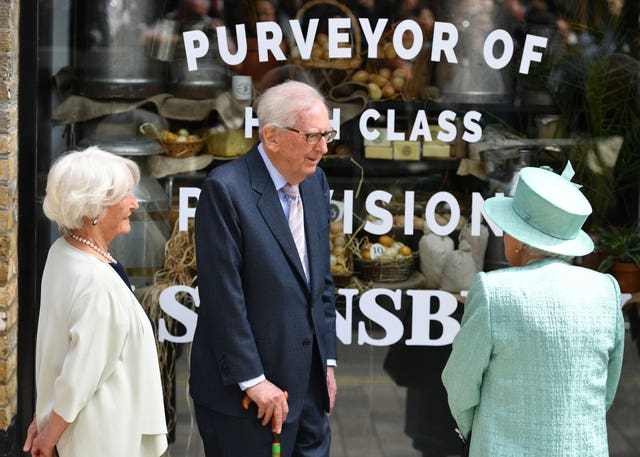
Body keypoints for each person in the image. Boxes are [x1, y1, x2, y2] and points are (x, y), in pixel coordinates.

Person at [190, 80, 338, 457]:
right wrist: (253, 381)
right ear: (271, 137)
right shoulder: (226, 190)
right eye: (312, 136)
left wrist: (328, 362)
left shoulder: (315, 181)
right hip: (248, 402)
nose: (323, 148)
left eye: (327, 135)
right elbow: (224, 299)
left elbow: (320, 282)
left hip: (309, 393)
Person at [441, 164, 625, 457]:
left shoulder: (494, 290)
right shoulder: (605, 289)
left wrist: (474, 433)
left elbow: (460, 381)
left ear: (519, 241)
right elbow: (607, 387)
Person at [22, 146, 168, 457]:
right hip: (102, 440)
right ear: (93, 211)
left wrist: (44, 417)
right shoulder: (96, 282)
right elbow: (80, 376)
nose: (134, 202)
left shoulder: (62, 252)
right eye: (124, 195)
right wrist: (48, 436)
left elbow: (56, 349)